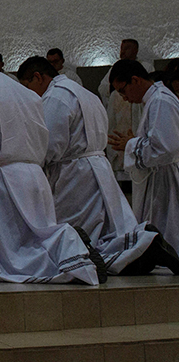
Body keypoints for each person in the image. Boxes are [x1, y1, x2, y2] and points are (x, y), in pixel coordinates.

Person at [0, 46, 101, 285]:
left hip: (0, 177)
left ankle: (71, 255)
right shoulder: (27, 93)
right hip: (34, 173)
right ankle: (73, 251)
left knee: (10, 251)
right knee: (38, 233)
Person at [18, 56, 178, 275]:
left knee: (80, 233)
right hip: (97, 167)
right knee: (104, 230)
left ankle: (136, 251)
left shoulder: (56, 97)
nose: (30, 95)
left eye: (28, 87)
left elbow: (50, 144)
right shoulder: (85, 93)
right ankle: (143, 247)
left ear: (38, 77)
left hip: (73, 174)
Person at [107, 60, 179, 252]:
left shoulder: (160, 101)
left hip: (166, 180)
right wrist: (135, 141)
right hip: (159, 177)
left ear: (135, 80)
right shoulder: (155, 100)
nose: (124, 97)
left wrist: (130, 145)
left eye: (122, 90)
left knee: (167, 228)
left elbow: (166, 149)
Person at [100, 40, 154, 185]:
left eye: (126, 49)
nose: (122, 52)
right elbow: (103, 87)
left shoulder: (157, 101)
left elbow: (163, 148)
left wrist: (132, 145)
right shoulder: (116, 68)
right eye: (121, 49)